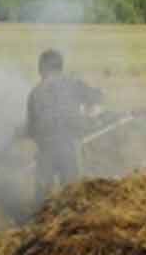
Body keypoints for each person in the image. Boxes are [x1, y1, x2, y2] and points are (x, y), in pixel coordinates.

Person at [26, 49, 103, 204]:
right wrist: (91, 112)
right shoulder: (73, 83)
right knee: (72, 192)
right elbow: (98, 97)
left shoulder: (35, 93)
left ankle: (38, 223)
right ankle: (70, 222)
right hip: (69, 145)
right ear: (60, 67)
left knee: (42, 196)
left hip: (45, 149)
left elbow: (32, 128)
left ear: (42, 68)